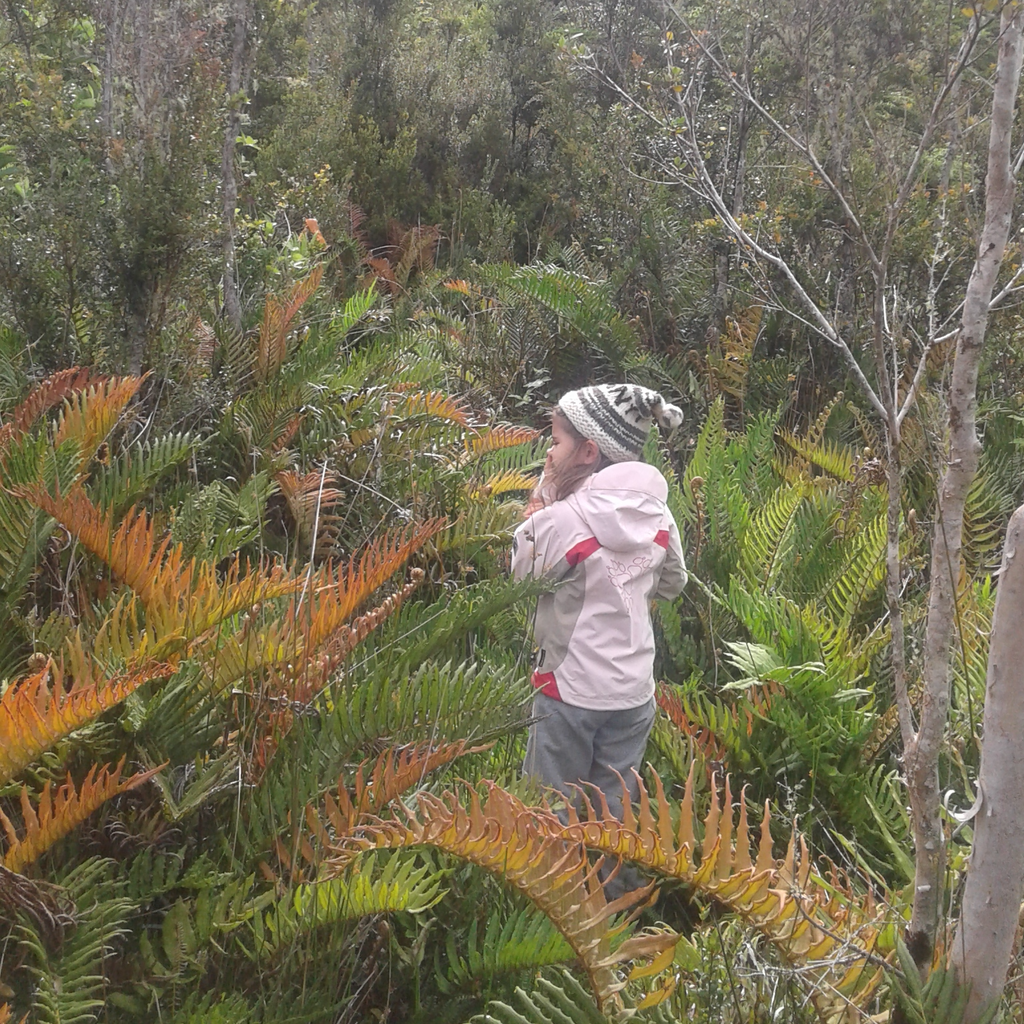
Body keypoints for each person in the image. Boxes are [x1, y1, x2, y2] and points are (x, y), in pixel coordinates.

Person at [511, 383, 688, 848]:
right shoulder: (658, 515)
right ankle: (612, 888)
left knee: (551, 811)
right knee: (614, 815)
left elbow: (521, 576)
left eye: (556, 441)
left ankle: (553, 888)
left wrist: (542, 499)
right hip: (633, 694)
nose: (549, 452)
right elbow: (672, 582)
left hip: (568, 691)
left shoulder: (563, 518)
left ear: (588, 451)